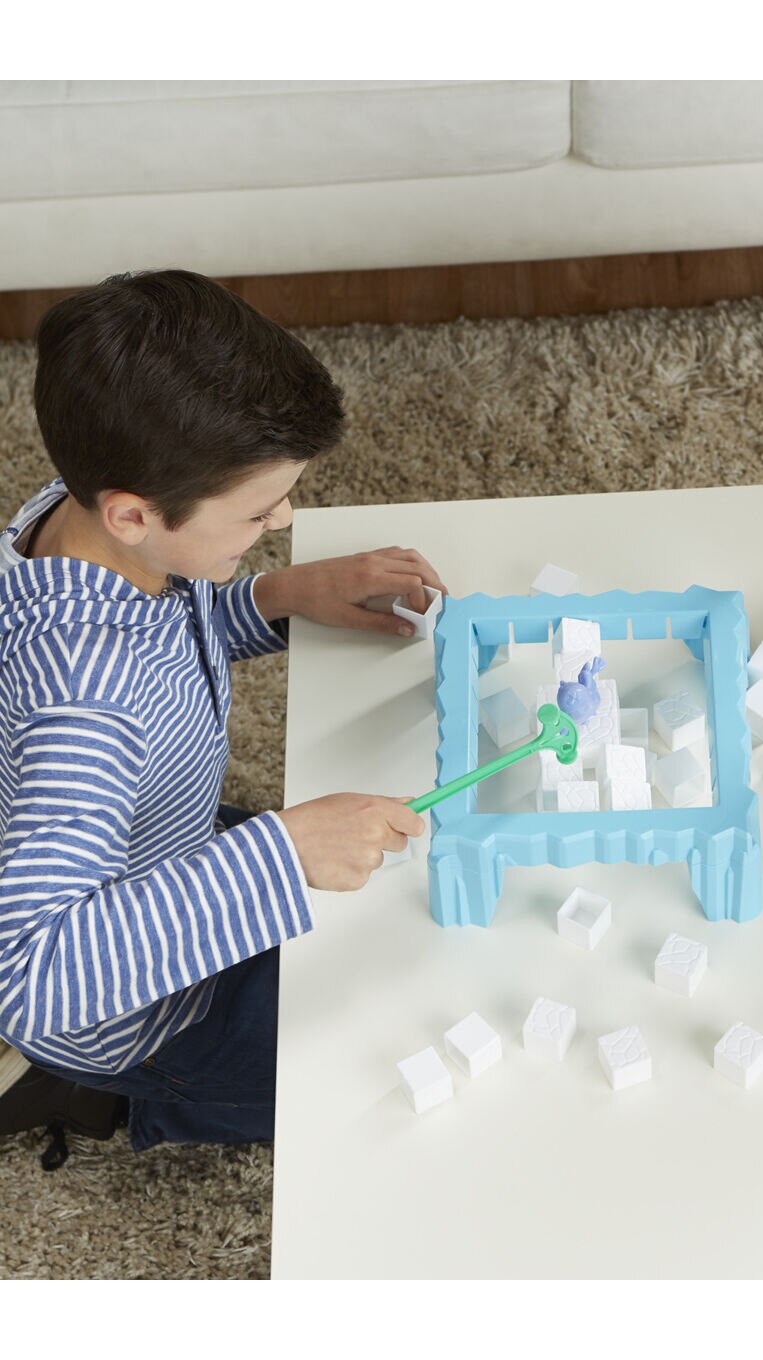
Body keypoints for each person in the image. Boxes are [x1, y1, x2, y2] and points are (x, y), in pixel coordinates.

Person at [0, 269, 445, 1153]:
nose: (283, 518)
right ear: (133, 514)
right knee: (359, 1071)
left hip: (165, 834)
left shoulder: (73, 511)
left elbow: (163, 639)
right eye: (256, 512)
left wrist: (272, 598)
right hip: (155, 1010)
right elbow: (33, 978)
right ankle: (118, 1099)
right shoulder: (85, 700)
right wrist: (283, 853)